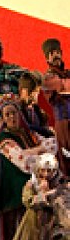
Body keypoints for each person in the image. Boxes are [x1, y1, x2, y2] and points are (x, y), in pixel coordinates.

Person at [0, 94, 56, 240]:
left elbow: (52, 144)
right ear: (2, 118)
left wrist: (36, 150)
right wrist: (40, 150)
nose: (12, 117)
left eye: (14, 113)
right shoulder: (4, 139)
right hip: (15, 188)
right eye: (7, 114)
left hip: (31, 182)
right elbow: (23, 162)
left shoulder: (27, 133)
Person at [42, 38, 70, 175]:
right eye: (51, 53)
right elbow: (61, 86)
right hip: (63, 122)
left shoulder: (67, 73)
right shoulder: (47, 78)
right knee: (66, 154)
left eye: (57, 52)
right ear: (47, 57)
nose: (55, 55)